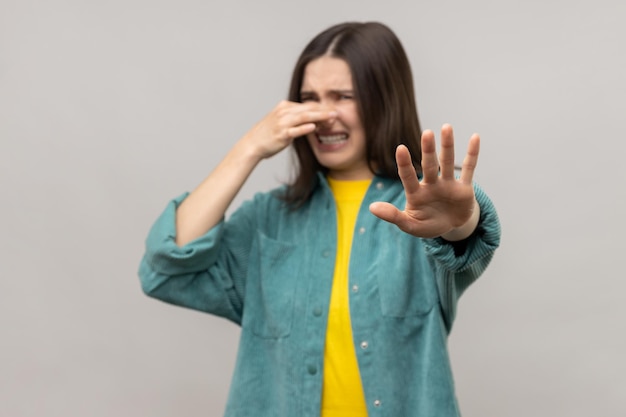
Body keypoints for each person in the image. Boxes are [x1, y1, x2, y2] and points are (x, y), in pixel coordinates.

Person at [139, 21, 501, 417]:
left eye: (343, 96)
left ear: (384, 98)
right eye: (310, 98)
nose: (325, 115)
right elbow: (166, 268)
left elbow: (466, 239)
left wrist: (459, 221)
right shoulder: (269, 219)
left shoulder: (420, 212)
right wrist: (248, 149)